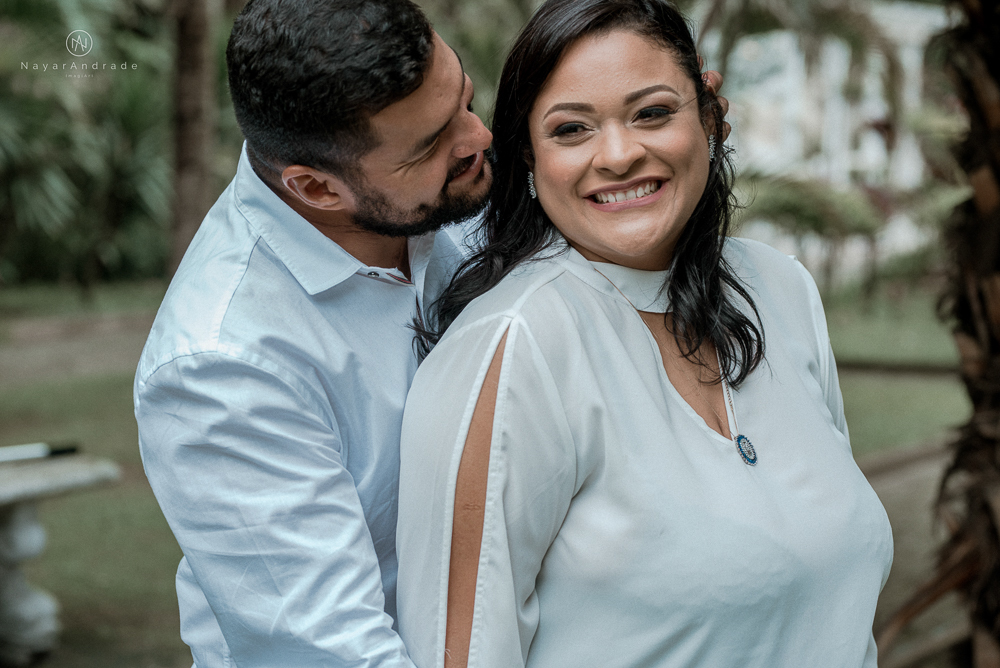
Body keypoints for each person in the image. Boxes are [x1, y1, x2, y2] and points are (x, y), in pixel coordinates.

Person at [135, 0, 730, 665]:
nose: (478, 139)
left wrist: (691, 130)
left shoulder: (452, 187)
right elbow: (333, 650)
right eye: (431, 144)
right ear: (317, 189)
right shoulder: (223, 366)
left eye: (464, 101)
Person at [395, 1, 894, 667]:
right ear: (530, 161)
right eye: (571, 129)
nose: (621, 154)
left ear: (710, 119)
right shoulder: (513, 349)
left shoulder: (785, 291)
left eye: (652, 113)